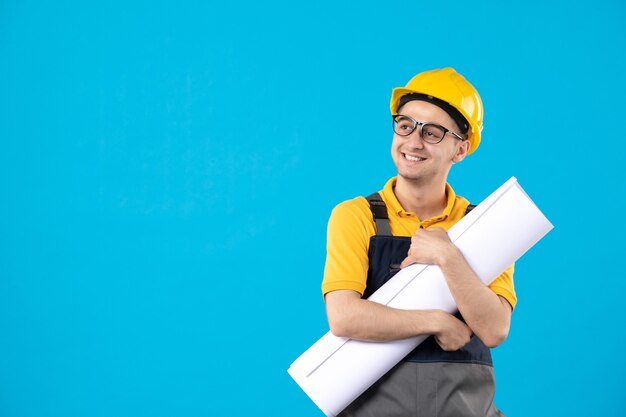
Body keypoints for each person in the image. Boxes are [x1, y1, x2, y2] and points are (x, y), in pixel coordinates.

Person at [321, 68, 516, 417]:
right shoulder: (356, 216)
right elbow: (344, 317)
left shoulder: (486, 225)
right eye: (405, 124)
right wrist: (436, 321)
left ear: (461, 149)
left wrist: (446, 255)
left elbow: (493, 329)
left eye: (433, 132)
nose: (413, 141)